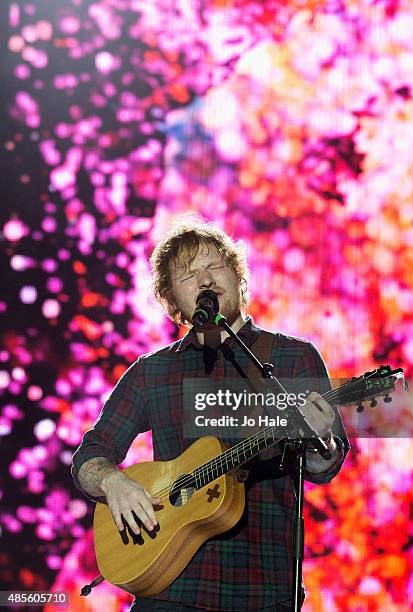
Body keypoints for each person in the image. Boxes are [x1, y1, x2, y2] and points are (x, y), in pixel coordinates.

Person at [71, 222, 349, 611]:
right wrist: (112, 481)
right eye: (187, 275)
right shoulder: (151, 371)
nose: (204, 281)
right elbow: (90, 455)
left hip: (265, 588)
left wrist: (320, 441)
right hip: (169, 588)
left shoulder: (293, 357)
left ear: (237, 277)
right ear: (174, 302)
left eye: (214, 267)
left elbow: (324, 465)